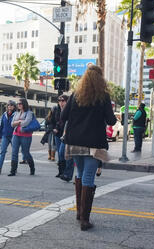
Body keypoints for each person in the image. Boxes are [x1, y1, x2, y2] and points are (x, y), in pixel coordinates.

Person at [61, 65, 116, 231]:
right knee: (89, 177)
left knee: (80, 173)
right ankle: (85, 219)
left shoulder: (75, 95)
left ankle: (79, 213)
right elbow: (112, 121)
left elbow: (64, 116)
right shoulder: (103, 96)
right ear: (100, 79)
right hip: (93, 143)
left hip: (75, 142)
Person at [9, 98, 35, 176]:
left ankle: (32, 168)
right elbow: (12, 124)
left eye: (20, 103)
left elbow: (26, 123)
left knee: (26, 153)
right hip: (16, 134)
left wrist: (17, 122)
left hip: (26, 135)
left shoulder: (29, 113)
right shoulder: (16, 113)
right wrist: (19, 121)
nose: (18, 105)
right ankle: (13, 171)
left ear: (24, 104)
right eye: (18, 104)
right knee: (14, 153)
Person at [0, 100, 16, 174]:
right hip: (5, 136)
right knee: (2, 152)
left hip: (14, 136)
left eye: (11, 105)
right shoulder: (4, 114)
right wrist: (0, 136)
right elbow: (1, 126)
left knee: (14, 152)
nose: (10, 106)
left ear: (14, 106)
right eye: (9, 105)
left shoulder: (16, 114)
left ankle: (14, 168)